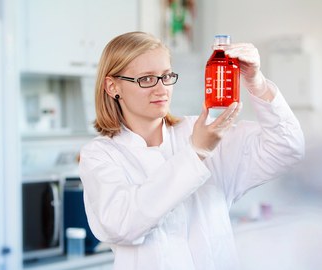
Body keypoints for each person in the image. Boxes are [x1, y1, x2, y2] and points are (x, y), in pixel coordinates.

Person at [78, 31, 305, 270]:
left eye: (166, 76)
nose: (161, 89)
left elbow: (288, 148)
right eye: (146, 79)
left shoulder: (203, 131)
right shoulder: (100, 155)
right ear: (112, 86)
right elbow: (122, 224)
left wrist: (256, 83)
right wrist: (195, 152)